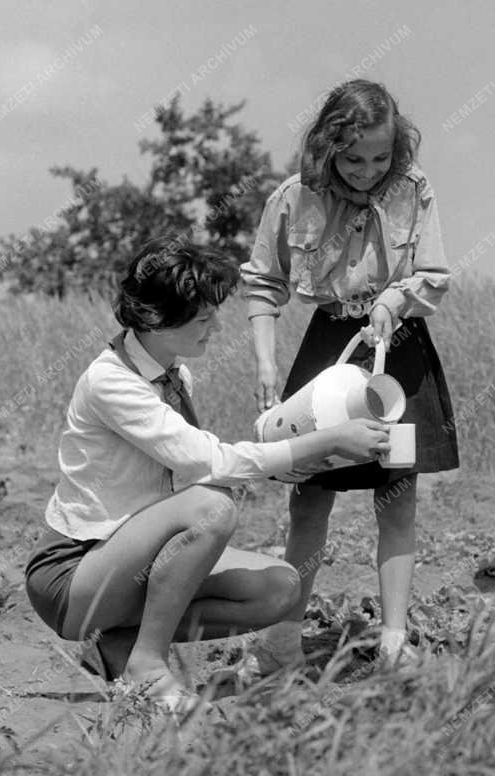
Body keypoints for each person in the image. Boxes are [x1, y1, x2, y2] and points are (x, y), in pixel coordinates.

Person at [24, 237, 390, 713]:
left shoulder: (173, 373)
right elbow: (209, 462)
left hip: (134, 559)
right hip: (74, 575)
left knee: (281, 587)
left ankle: (119, 642)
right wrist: (324, 441)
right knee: (212, 509)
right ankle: (147, 665)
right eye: (203, 319)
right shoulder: (111, 382)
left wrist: (300, 451)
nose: (217, 327)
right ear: (156, 321)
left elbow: (194, 471)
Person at [241, 79, 458, 671]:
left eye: (381, 158)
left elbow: (433, 275)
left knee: (397, 496)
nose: (367, 171)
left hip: (400, 351)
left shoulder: (416, 191)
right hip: (328, 351)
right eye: (353, 158)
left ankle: (392, 640)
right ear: (328, 145)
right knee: (309, 501)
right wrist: (265, 362)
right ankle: (283, 638)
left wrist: (395, 299)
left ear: (399, 149)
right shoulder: (292, 197)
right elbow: (263, 283)